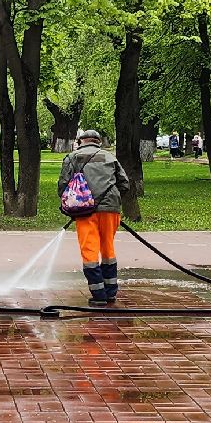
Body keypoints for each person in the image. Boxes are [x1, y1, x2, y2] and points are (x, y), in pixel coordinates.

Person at [59, 129, 128, 306]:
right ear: (98, 142)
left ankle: (98, 295)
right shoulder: (110, 157)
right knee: (108, 250)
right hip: (111, 209)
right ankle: (110, 292)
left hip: (85, 211)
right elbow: (124, 184)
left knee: (89, 251)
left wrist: (73, 204)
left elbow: (63, 186)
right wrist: (111, 200)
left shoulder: (72, 157)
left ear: (82, 141)